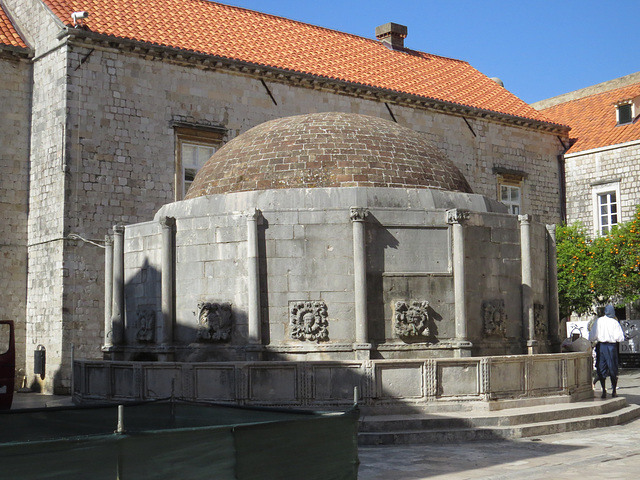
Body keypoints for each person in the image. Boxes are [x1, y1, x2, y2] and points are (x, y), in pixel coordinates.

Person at [588, 305, 625, 398]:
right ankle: (613, 391)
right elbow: (619, 337)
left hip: (601, 346)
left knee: (601, 367)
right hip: (611, 347)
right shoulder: (614, 322)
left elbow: (592, 335)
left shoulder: (598, 321)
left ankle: (603, 390)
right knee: (613, 368)